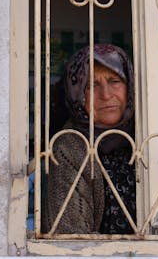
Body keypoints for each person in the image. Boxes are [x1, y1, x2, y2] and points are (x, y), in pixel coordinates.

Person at [42, 44, 136, 234]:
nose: (106, 94)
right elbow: (70, 238)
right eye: (92, 85)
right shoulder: (69, 147)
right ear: (77, 93)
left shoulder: (148, 135)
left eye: (114, 80)